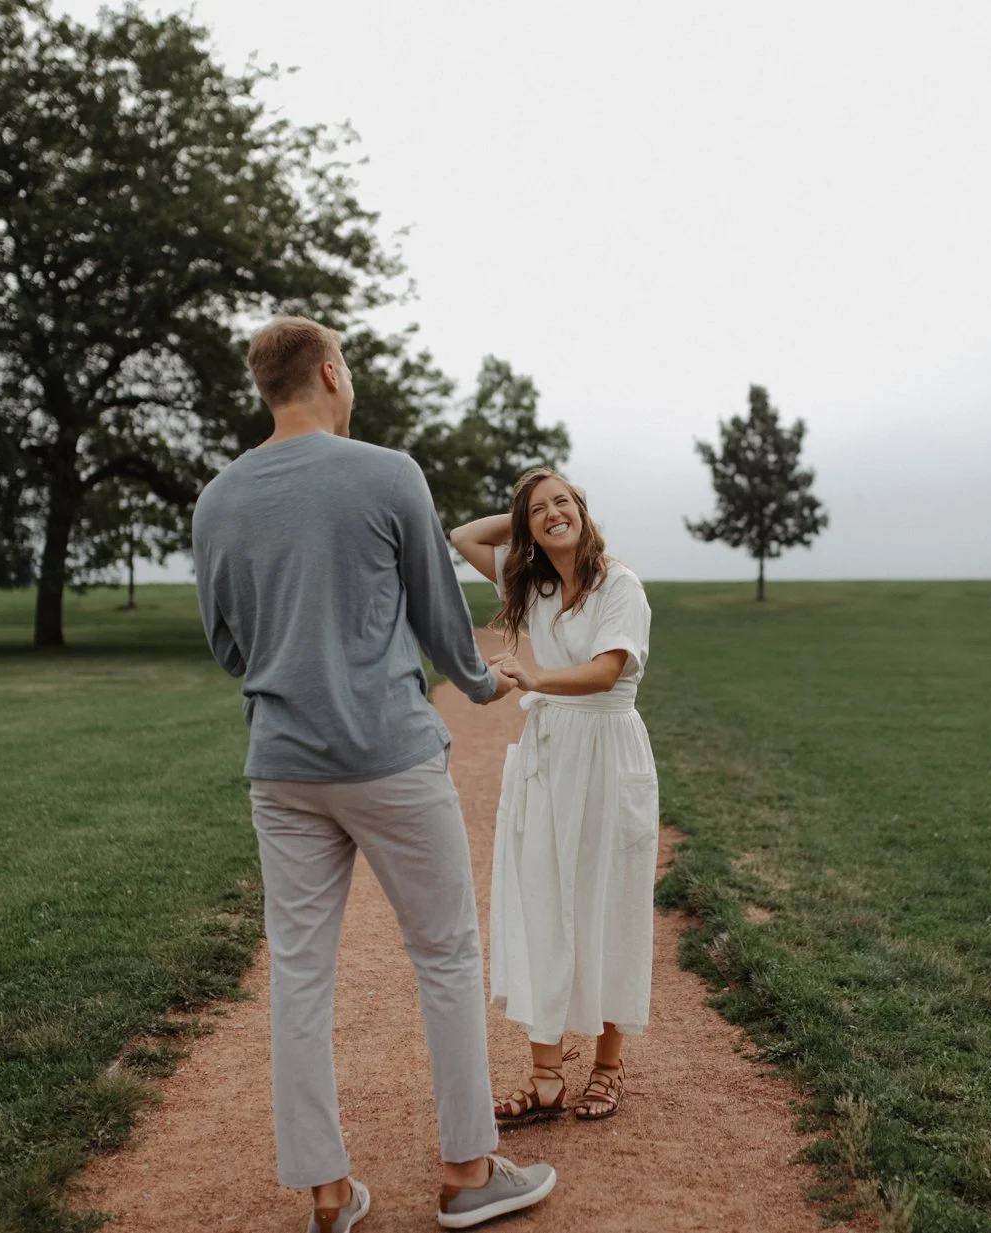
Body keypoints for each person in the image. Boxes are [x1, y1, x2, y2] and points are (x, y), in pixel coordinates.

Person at [192, 317, 557, 1233]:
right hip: (390, 756)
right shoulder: (389, 473)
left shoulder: (217, 499)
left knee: (299, 974)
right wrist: (481, 681)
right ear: (329, 372)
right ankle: (468, 1173)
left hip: (282, 767)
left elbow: (228, 648)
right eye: (347, 367)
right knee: (445, 954)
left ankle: (328, 1193)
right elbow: (441, 615)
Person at [449, 470, 658, 1127]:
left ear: (584, 511)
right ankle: (545, 1080)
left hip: (608, 752)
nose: (552, 513)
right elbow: (462, 536)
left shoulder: (619, 584)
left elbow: (607, 671)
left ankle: (607, 1068)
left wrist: (536, 679)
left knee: (608, 901)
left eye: (563, 501)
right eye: (538, 510)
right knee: (541, 899)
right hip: (550, 755)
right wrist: (523, 517)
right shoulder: (534, 582)